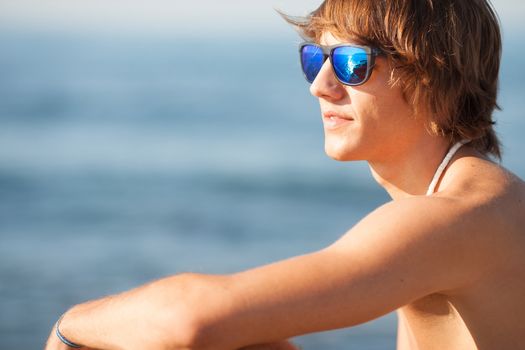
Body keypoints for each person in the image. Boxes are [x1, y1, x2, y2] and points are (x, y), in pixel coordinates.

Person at [46, 0, 525, 349]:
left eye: (352, 63)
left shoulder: (453, 218)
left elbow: (190, 320)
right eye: (315, 58)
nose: (321, 86)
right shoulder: (470, 200)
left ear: (433, 75)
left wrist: (70, 327)